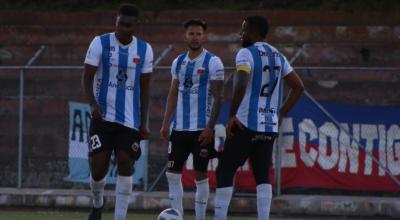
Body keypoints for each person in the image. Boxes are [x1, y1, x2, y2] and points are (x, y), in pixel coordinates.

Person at [213, 16, 304, 220]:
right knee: (262, 175)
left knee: (225, 169)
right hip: (269, 125)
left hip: (245, 123)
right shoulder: (278, 55)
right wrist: (281, 112)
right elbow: (299, 87)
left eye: (244, 30)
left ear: (254, 33)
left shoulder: (246, 52)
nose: (241, 34)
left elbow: (241, 82)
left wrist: (232, 114)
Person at [82, 4, 153, 220]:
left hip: (130, 120)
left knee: (125, 162)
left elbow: (145, 88)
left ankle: (119, 217)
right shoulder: (100, 42)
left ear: (136, 25)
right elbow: (87, 77)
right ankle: (97, 203)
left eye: (128, 25)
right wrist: (93, 104)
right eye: (120, 23)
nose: (123, 28)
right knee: (98, 169)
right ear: (116, 21)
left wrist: (144, 122)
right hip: (102, 117)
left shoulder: (145, 49)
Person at [160, 19, 225, 220]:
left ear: (204, 37)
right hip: (179, 129)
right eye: (191, 34)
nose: (195, 37)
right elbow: (172, 93)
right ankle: (176, 216)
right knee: (172, 174)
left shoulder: (213, 62)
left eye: (198, 34)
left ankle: (199, 218)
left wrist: (209, 127)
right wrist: (165, 123)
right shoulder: (178, 62)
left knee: (200, 175)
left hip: (201, 129)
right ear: (185, 36)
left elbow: (219, 97)